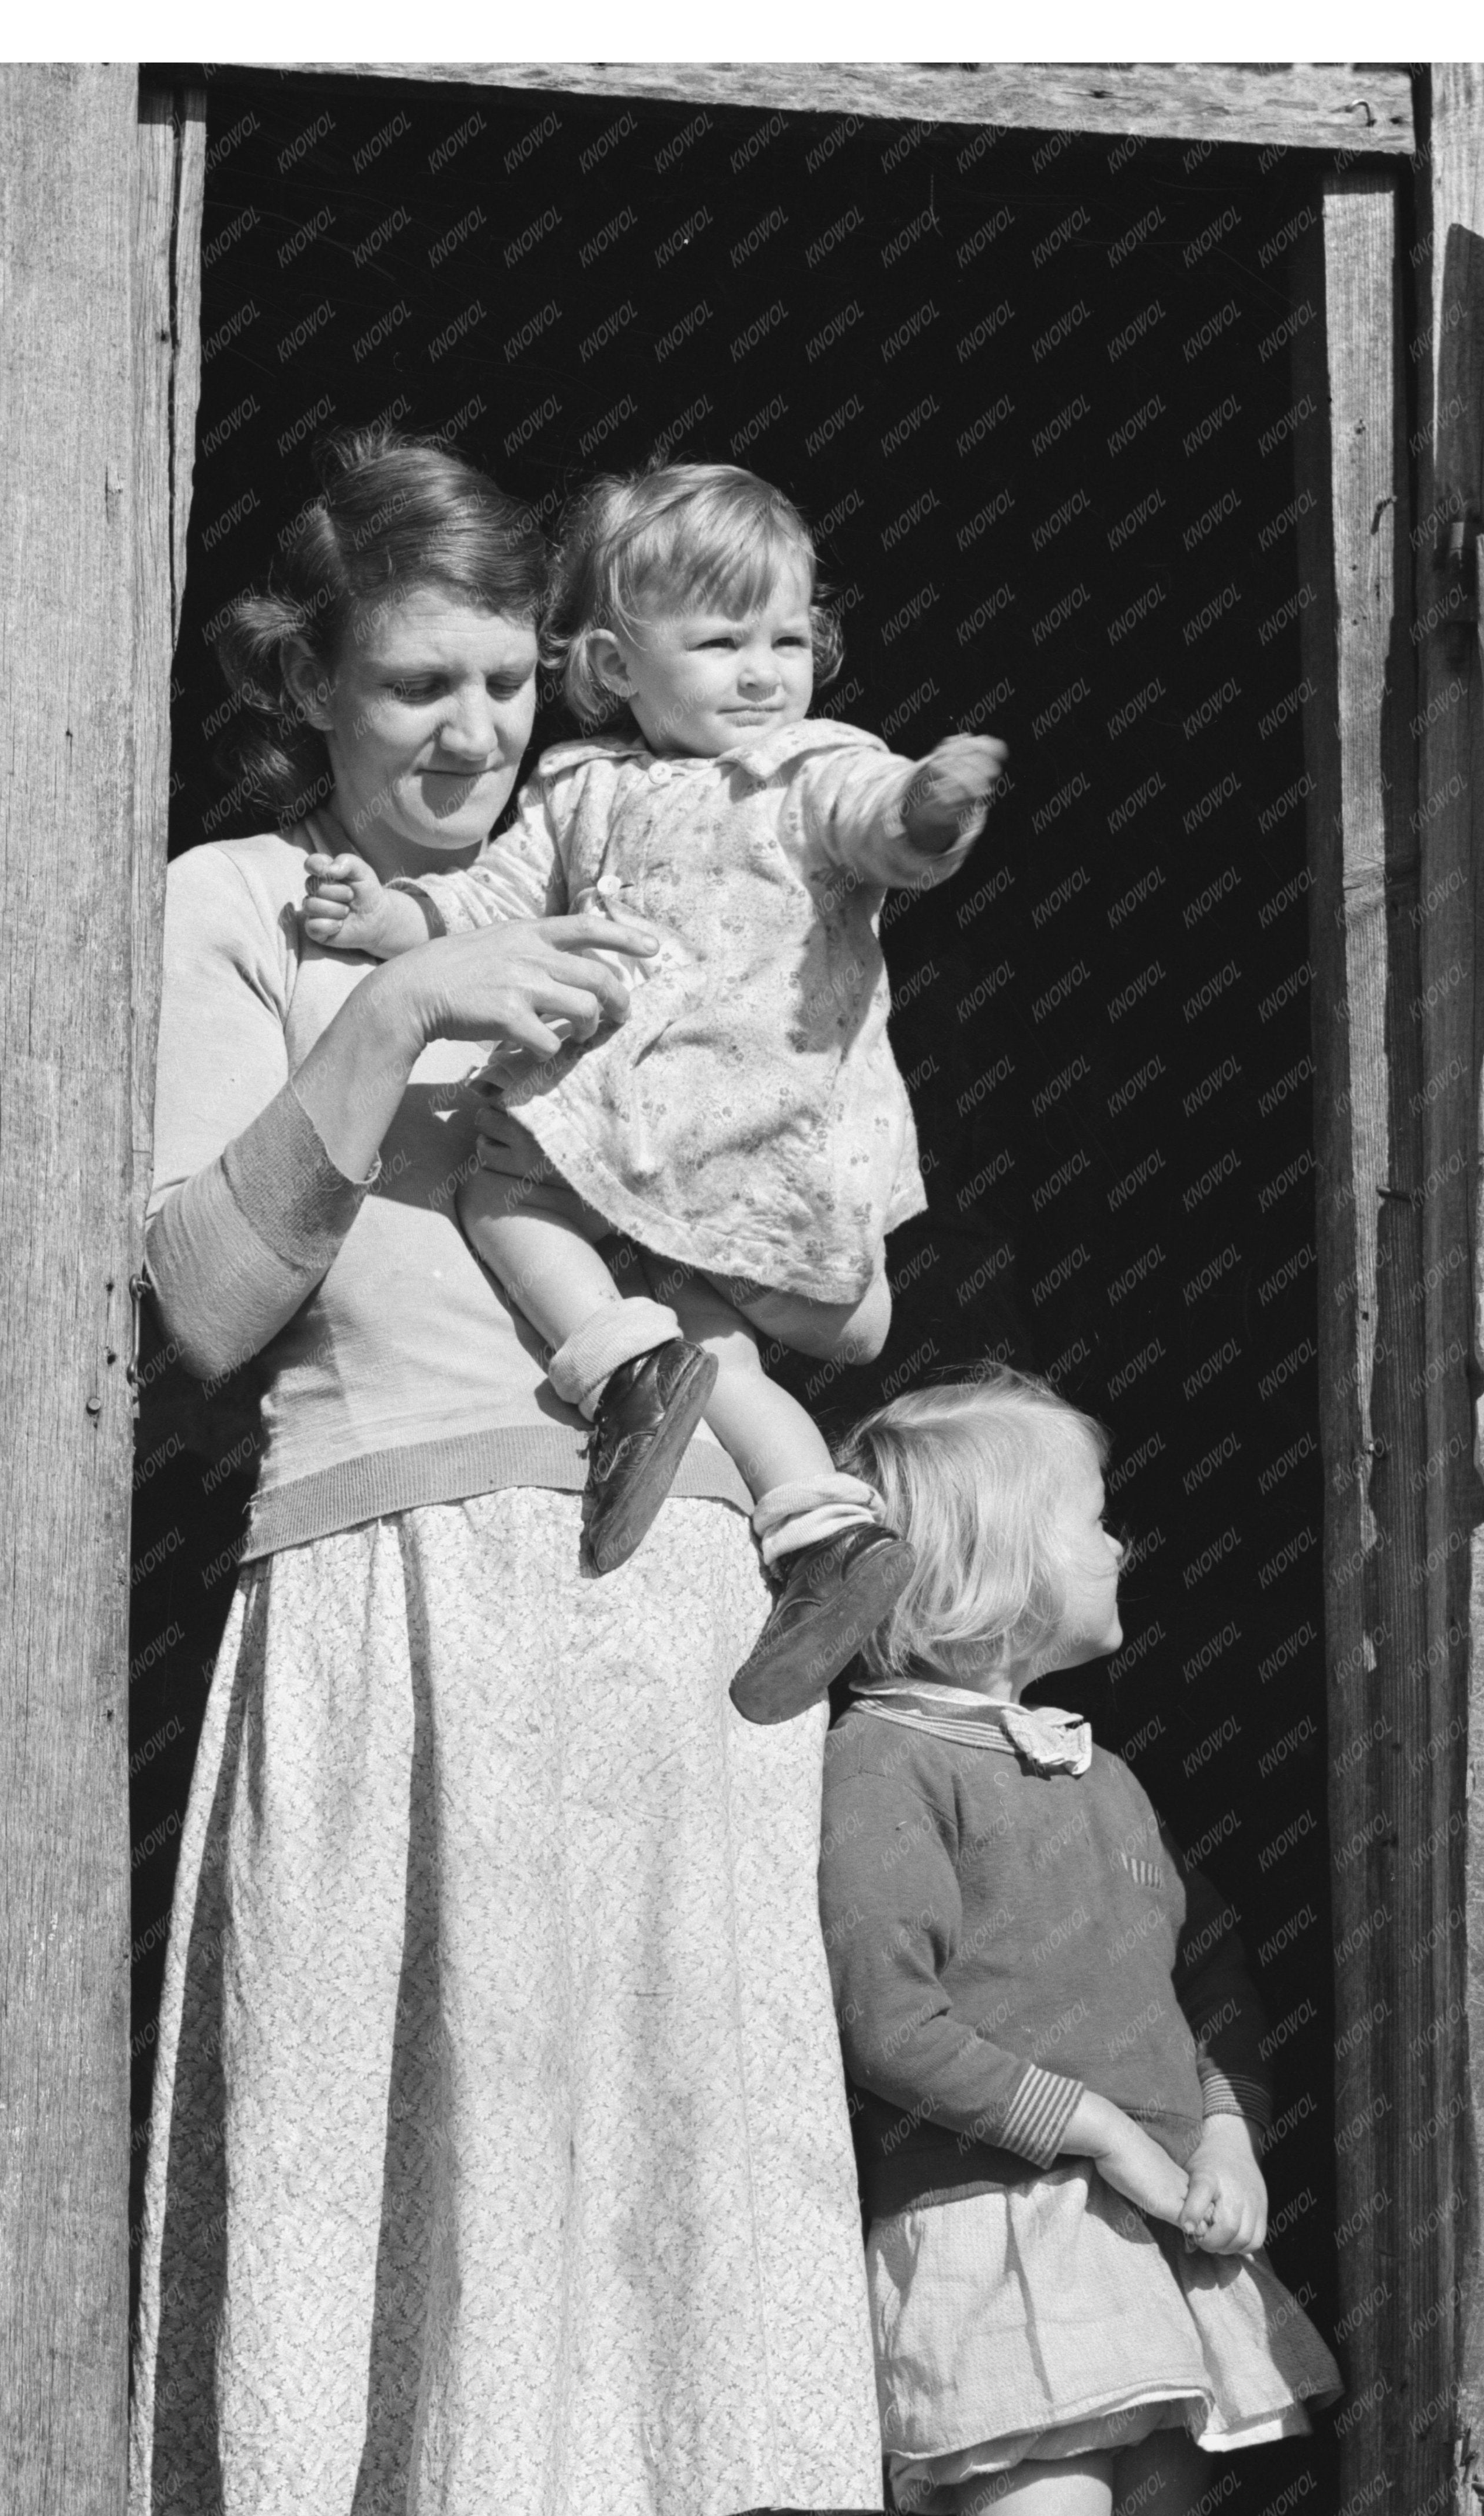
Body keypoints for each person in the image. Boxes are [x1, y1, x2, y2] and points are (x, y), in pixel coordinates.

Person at [127, 429, 884, 2516]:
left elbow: (824, 1225)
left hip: (672, 1608)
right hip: (383, 1600)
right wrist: (381, 1019)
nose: (453, 736)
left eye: (486, 686)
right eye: (403, 688)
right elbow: (206, 1304)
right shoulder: (237, 905)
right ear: (304, 691)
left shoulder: (627, 851)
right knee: (422, 2294)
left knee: (671, 2303)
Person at [814, 1366, 1343, 2516]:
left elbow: (1213, 1981)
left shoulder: (1102, 1772)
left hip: (1146, 2251)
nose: (1125, 1544)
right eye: (1094, 1516)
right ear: (996, 1566)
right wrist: (1105, 2133)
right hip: (1002, 2240)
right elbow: (891, 2016)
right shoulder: (888, 1761)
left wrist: (1226, 2121)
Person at [302, 462, 1007, 1722]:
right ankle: (821, 1527)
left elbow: (878, 824)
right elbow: (485, 906)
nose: (764, 671)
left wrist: (929, 812)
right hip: (661, 1138)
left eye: (788, 639)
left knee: (499, 1190)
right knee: (716, 1340)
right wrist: (390, 914)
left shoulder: (808, 768)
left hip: (720, 1127)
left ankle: (619, 1374)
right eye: (724, 639)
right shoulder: (580, 791)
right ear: (620, 667)